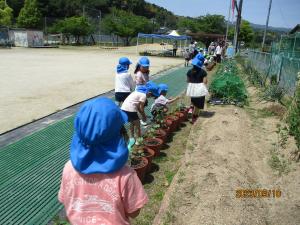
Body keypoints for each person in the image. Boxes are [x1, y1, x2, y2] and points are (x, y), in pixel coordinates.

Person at [58, 97, 148, 225]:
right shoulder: (125, 175)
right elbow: (134, 212)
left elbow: (66, 201)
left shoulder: (68, 168)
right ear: (119, 135)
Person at [121, 81, 160, 147]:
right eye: (152, 95)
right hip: (130, 109)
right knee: (137, 125)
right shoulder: (143, 95)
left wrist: (142, 115)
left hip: (124, 108)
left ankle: (132, 138)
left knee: (132, 123)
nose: (151, 97)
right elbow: (141, 108)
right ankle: (138, 141)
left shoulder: (138, 92)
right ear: (149, 93)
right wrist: (144, 116)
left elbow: (138, 107)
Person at [186, 54, 208, 124]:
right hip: (199, 89)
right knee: (198, 105)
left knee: (193, 100)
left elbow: (187, 81)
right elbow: (205, 82)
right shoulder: (203, 72)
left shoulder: (189, 71)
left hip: (192, 88)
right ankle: (194, 118)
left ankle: (191, 107)